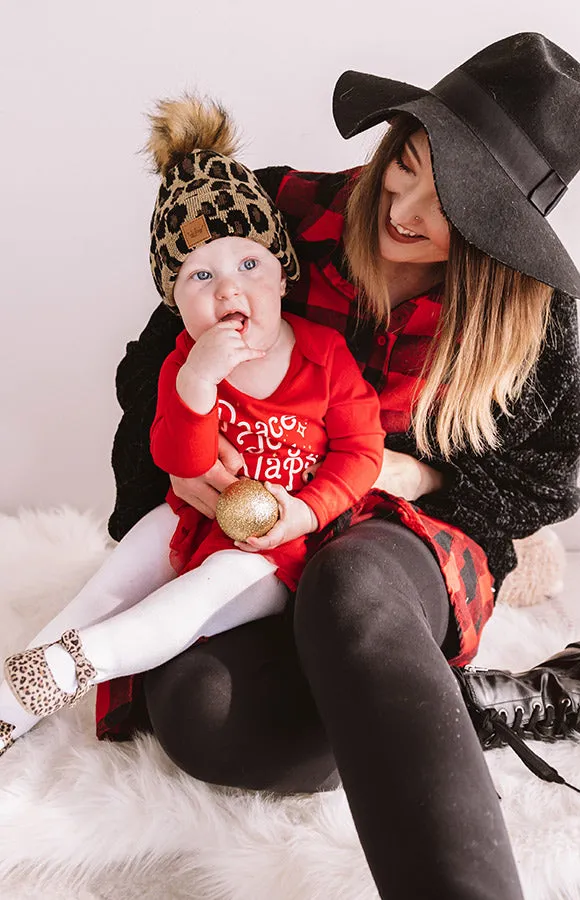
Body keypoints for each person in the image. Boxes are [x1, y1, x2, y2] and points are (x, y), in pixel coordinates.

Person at [4, 31, 580, 900]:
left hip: (396, 544)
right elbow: (154, 366)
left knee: (349, 585)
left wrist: (407, 475)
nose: (404, 205)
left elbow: (547, 478)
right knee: (203, 718)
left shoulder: (527, 318)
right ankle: (486, 704)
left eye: (453, 201)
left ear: (502, 226)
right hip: (248, 546)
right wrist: (175, 464)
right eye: (408, 162)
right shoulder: (279, 215)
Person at [0, 98, 386, 740]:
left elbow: (361, 452)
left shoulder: (323, 355)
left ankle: (82, 663)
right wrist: (198, 380)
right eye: (200, 276)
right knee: (113, 581)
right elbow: (178, 461)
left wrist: (308, 510)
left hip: (277, 551)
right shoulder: (186, 360)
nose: (229, 290)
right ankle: (13, 701)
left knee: (200, 596)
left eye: (249, 266)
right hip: (195, 515)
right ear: (174, 300)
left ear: (283, 276)